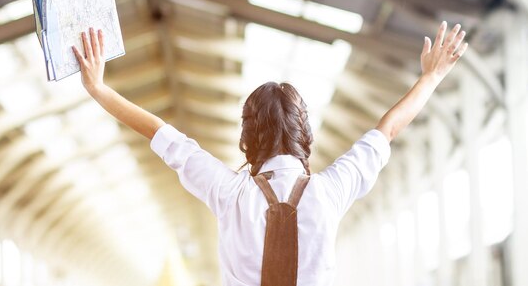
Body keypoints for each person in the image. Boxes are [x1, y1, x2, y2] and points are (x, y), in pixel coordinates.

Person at [73, 21, 468, 286]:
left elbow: (163, 135)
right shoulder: (331, 190)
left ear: (248, 138)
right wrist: (430, 77)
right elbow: (389, 129)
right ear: (305, 135)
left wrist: (100, 90)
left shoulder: (230, 192)